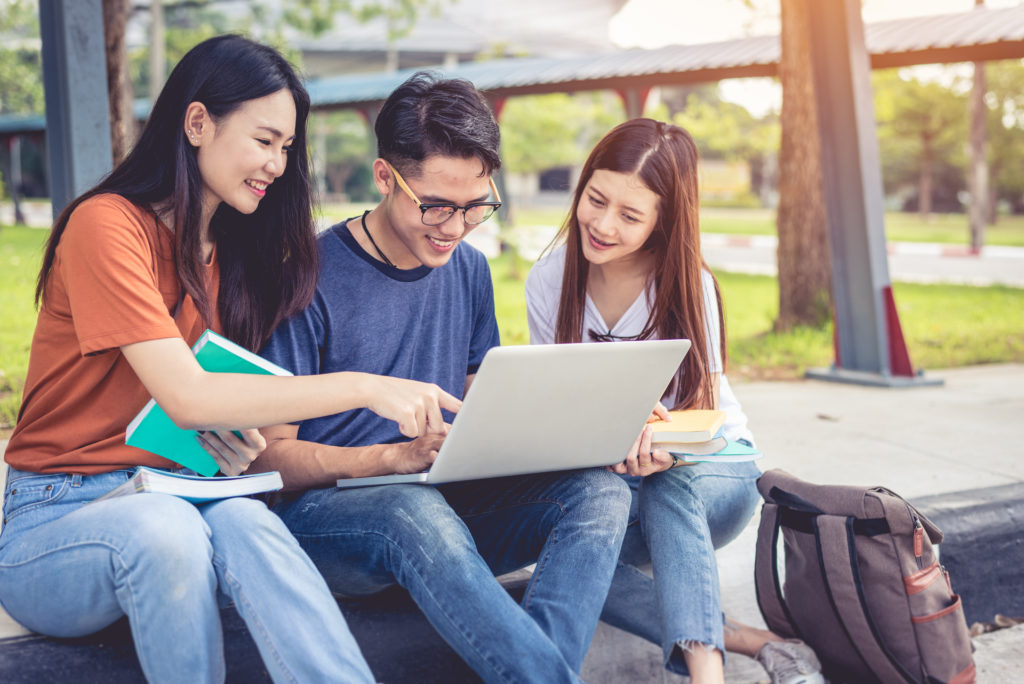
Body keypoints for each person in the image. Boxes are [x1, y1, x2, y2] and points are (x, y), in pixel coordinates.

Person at [0, 36, 459, 683]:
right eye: (264, 140)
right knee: (169, 530)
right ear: (197, 122)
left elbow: (201, 417)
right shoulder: (107, 226)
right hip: (56, 521)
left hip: (175, 492)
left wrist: (233, 445)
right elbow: (187, 395)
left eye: (287, 148)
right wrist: (362, 387)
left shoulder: (234, 256)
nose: (277, 163)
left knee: (244, 517)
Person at [247, 71, 632, 684]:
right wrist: (388, 459)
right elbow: (267, 458)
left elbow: (485, 400)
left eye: (476, 206)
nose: (454, 227)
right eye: (435, 205)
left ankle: (541, 670)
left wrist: (581, 421)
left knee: (598, 493)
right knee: (411, 511)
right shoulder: (306, 277)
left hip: (440, 504)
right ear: (383, 178)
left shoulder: (469, 272)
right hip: (326, 523)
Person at [525, 118, 825, 684]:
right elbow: (558, 401)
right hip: (621, 480)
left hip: (714, 469)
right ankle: (758, 643)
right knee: (578, 564)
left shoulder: (687, 286)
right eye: (596, 200)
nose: (603, 224)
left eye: (630, 216)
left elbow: (706, 418)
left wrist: (661, 441)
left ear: (663, 222)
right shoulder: (550, 278)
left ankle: (704, 673)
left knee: (670, 484)